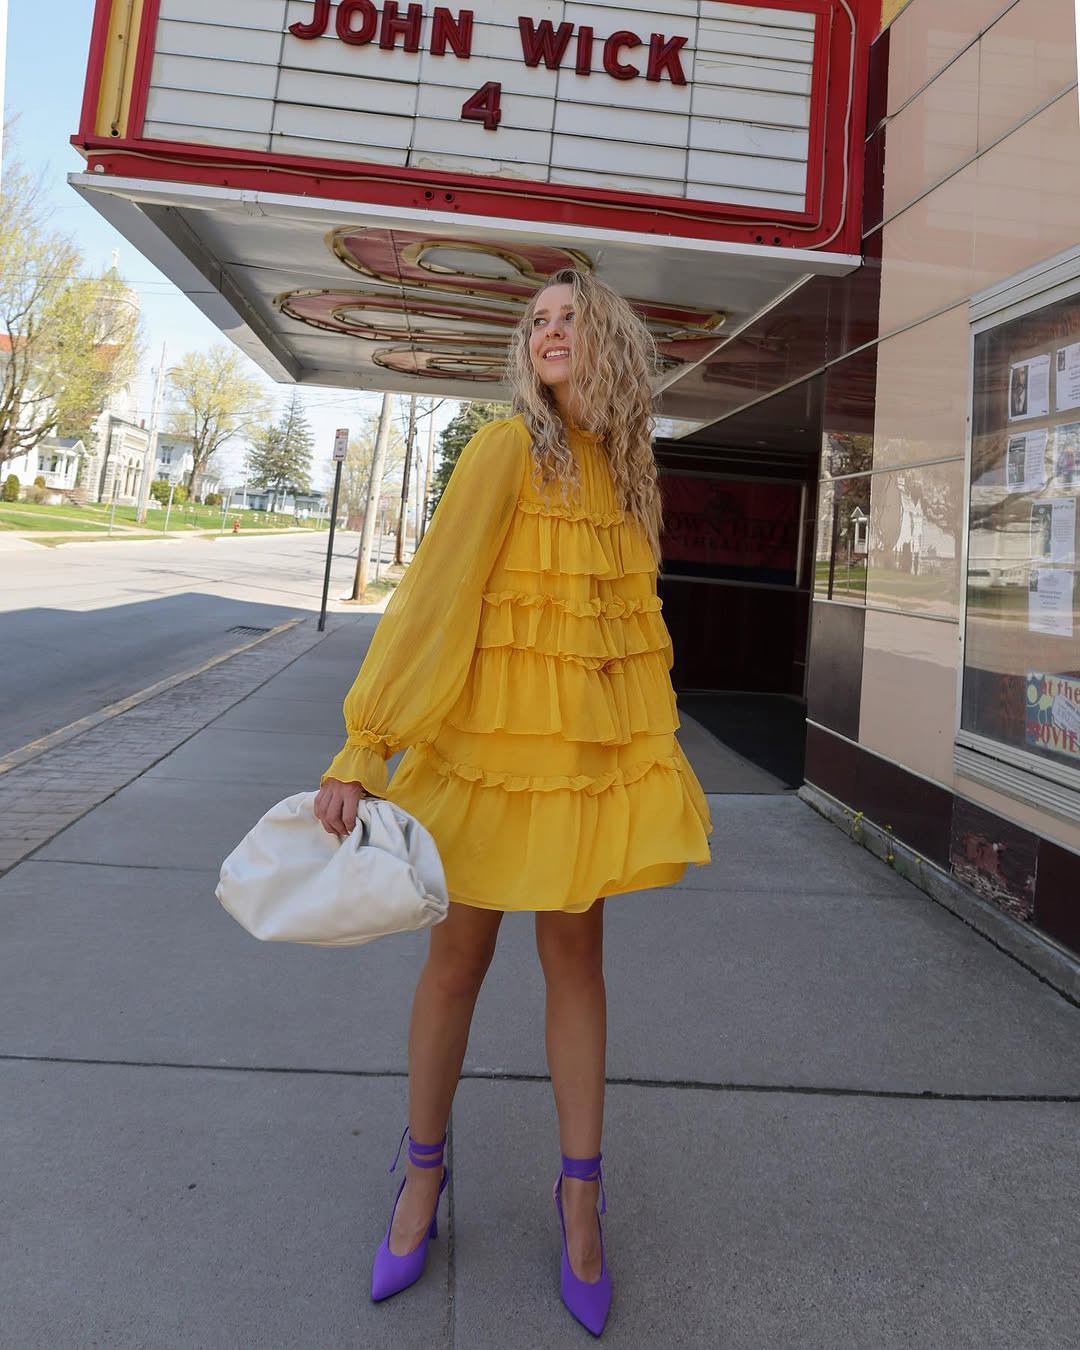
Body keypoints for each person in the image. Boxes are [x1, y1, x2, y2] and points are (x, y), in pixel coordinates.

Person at [314, 268, 712, 1336]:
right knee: (457, 963)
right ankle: (421, 1183)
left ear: (611, 339)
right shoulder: (504, 449)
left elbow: (624, 635)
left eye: (570, 316)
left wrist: (636, 756)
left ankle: (580, 1203)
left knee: (577, 961)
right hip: (485, 754)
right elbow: (433, 597)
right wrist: (365, 740)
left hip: (576, 760)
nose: (548, 330)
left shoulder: (630, 477)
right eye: (535, 320)